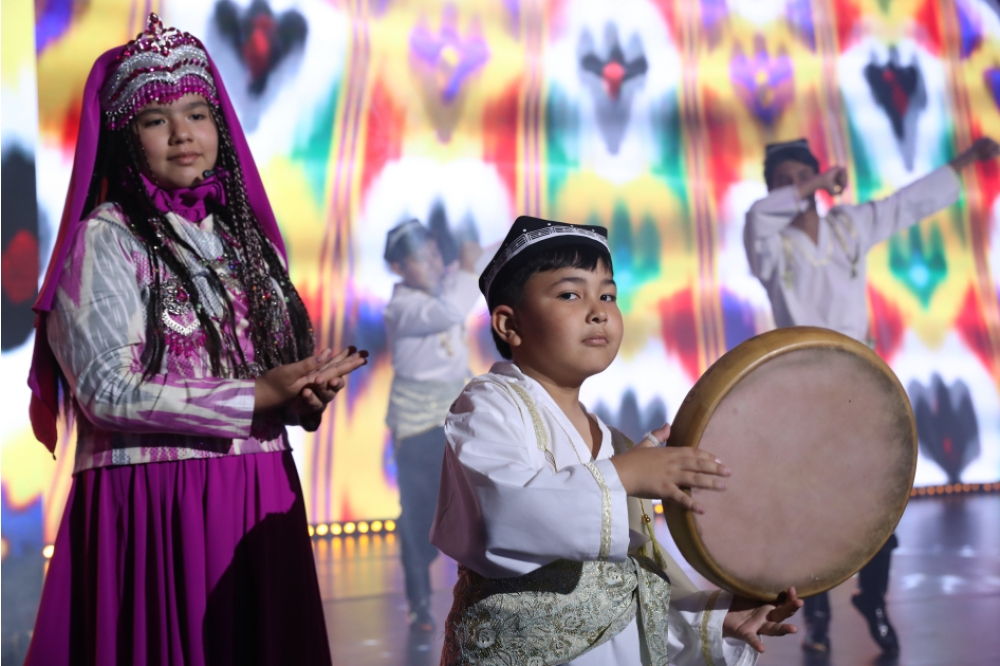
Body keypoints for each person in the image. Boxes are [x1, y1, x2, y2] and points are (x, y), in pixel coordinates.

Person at [24, 15, 367, 665]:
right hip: (157, 502)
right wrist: (255, 395)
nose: (182, 133)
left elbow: (270, 372)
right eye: (156, 120)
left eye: (197, 114)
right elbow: (105, 390)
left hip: (260, 487)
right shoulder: (107, 238)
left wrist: (301, 396)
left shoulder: (247, 242)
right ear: (125, 138)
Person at [431, 217, 803, 665]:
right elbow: (499, 515)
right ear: (509, 324)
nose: (599, 311)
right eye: (570, 294)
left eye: (608, 295)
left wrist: (711, 619)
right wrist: (623, 475)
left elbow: (625, 592)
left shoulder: (617, 444)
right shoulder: (489, 405)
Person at [743, 136, 1000, 655]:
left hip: (860, 383)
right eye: (784, 182)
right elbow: (757, 216)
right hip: (802, 388)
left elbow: (907, 203)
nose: (797, 189)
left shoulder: (847, 227)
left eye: (803, 177)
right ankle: (816, 614)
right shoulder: (769, 245)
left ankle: (873, 600)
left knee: (878, 501)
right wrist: (814, 183)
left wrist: (967, 159)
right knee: (811, 505)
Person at [383, 218, 486, 631]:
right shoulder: (402, 306)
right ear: (398, 268)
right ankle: (419, 600)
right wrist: (468, 269)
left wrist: (478, 258)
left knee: (476, 501)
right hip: (416, 425)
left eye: (433, 254)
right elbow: (451, 311)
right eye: (419, 259)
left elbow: (471, 278)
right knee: (418, 513)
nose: (432, 263)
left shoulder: (444, 287)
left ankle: (484, 589)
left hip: (454, 414)